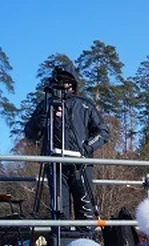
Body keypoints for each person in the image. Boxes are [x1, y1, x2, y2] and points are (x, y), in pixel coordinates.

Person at [24, 63, 109, 221]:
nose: (63, 84)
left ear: (73, 83)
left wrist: (86, 147)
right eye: (59, 80)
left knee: (85, 210)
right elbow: (29, 134)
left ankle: (86, 236)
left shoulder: (84, 105)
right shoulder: (46, 105)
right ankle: (61, 236)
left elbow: (103, 132)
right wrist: (39, 121)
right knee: (60, 211)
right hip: (55, 165)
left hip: (81, 164)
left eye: (66, 80)